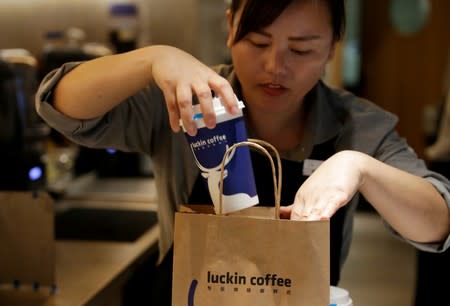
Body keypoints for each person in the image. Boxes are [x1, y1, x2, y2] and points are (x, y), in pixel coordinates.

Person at [36, 0, 450, 304]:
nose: (274, 66)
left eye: (302, 48)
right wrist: (154, 59)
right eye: (257, 42)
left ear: (332, 46)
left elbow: (437, 223)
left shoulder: (358, 125)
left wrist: (360, 167)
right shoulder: (186, 100)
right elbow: (60, 107)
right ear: (230, 25)